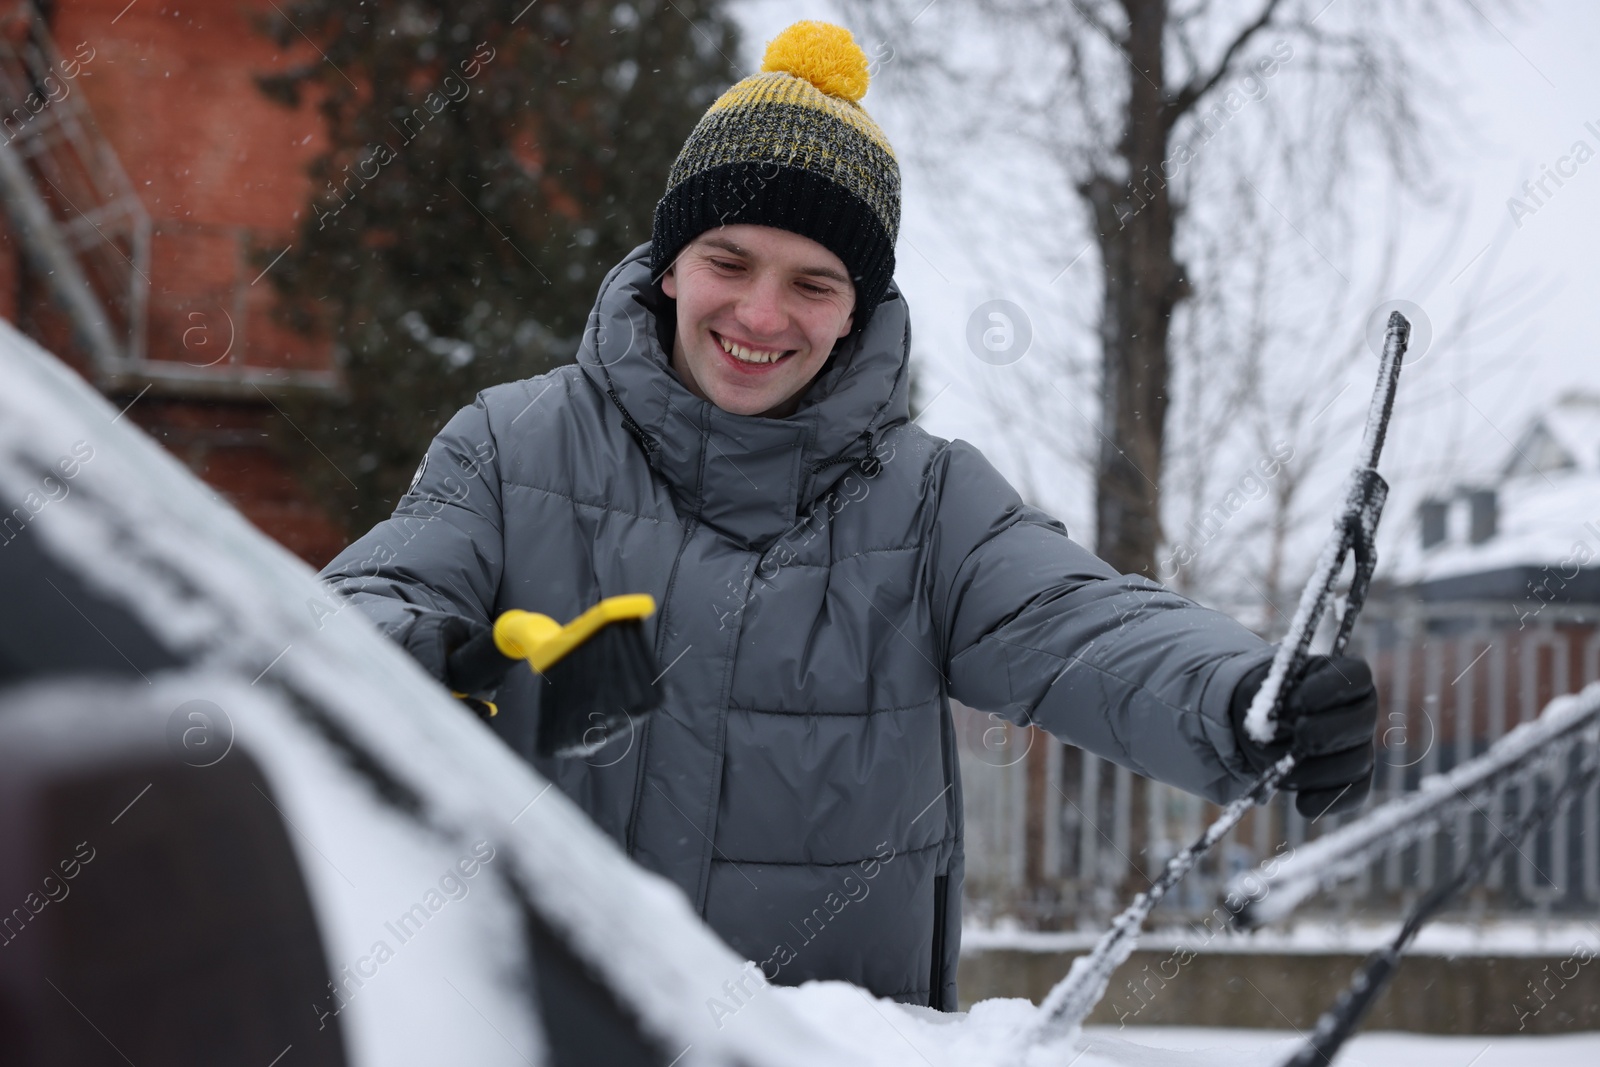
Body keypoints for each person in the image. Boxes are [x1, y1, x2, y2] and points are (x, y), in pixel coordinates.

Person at [317, 21, 1378, 1011]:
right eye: (729, 261)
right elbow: (349, 613)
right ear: (673, 263)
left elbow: (1076, 621)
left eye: (813, 282)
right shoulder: (511, 449)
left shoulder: (927, 502)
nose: (762, 314)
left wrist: (1244, 692)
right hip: (542, 1025)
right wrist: (442, 664)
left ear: (857, 310)